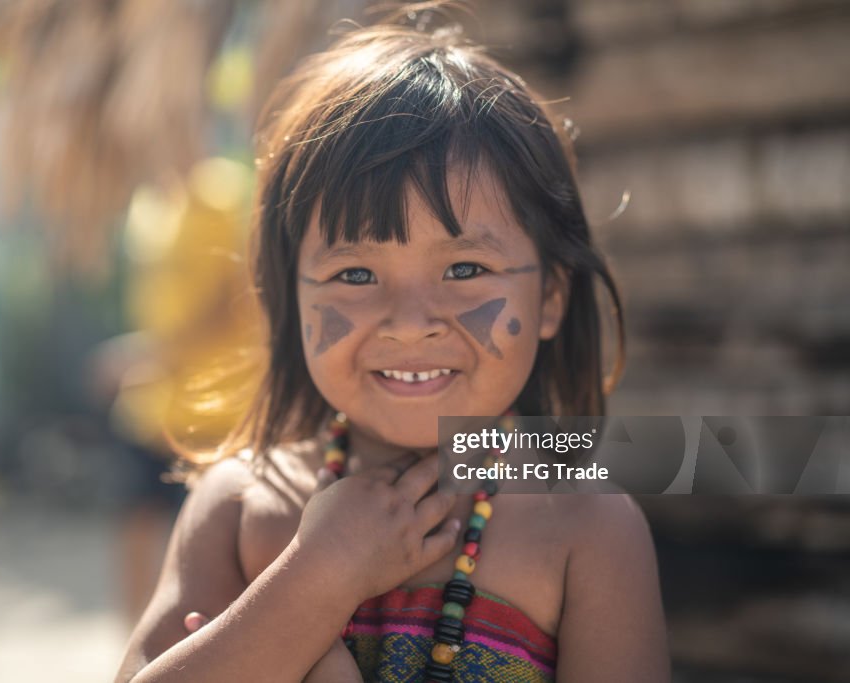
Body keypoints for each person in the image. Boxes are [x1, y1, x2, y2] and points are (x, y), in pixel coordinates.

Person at [116, 16, 670, 683]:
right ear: (291, 297)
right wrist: (311, 581)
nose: (409, 323)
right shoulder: (239, 507)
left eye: (465, 269)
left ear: (550, 296)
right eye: (356, 274)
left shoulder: (591, 530)